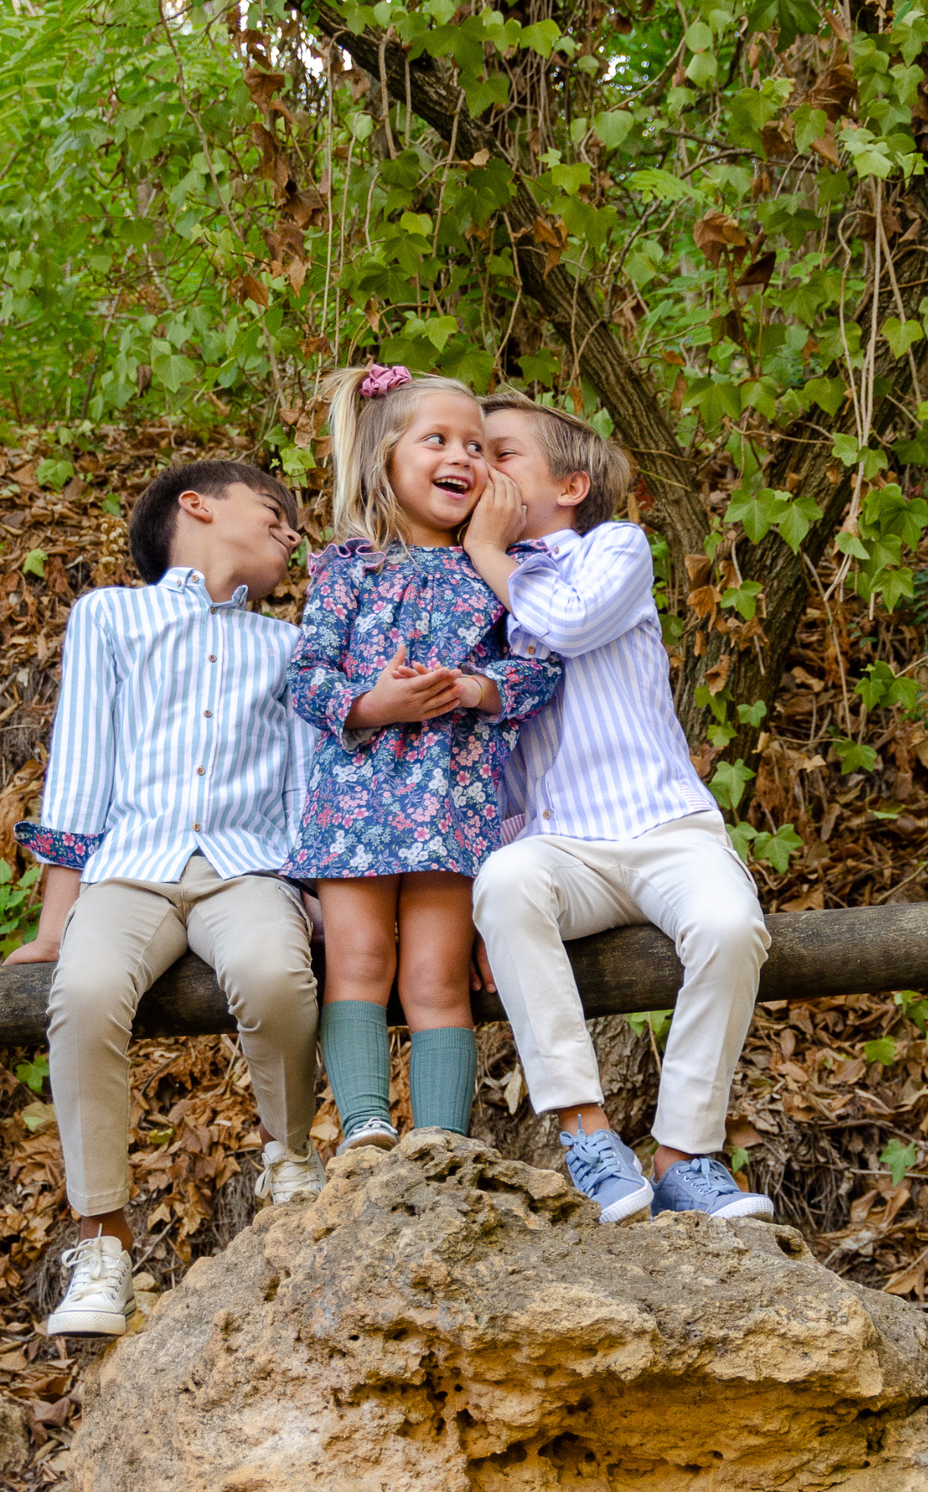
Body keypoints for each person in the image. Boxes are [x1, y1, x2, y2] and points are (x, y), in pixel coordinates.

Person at [4, 459, 324, 1339]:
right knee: (84, 991)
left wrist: (316, 893)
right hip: (130, 868)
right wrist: (55, 919)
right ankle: (102, 1247)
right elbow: (80, 766)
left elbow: (302, 783)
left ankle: (290, 1161)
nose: (291, 535)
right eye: (275, 513)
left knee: (273, 975)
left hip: (248, 867)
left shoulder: (289, 645)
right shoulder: (110, 616)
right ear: (197, 507)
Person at [463, 392, 773, 1224]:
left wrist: (492, 549)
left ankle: (685, 1154)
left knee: (729, 927)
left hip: (665, 823)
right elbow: (478, 752)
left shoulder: (611, 548)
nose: (480, 470)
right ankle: (586, 1130)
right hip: (563, 843)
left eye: (501, 454)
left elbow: (566, 622)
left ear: (568, 486)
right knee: (505, 883)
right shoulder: (466, 589)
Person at [285, 363, 561, 1155]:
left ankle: (442, 1141)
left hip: (453, 799)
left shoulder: (504, 568)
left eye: (478, 445)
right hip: (356, 801)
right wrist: (374, 703)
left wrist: (476, 688)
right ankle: (366, 1126)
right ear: (384, 460)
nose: (464, 457)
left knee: (438, 975)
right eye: (438, 439)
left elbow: (541, 663)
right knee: (360, 959)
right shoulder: (349, 567)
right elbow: (306, 678)